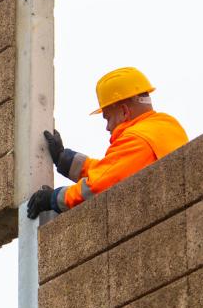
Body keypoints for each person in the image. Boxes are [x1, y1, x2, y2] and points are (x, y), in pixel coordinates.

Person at [27, 67, 188, 219]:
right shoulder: (166, 126)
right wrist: (64, 159)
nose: (107, 127)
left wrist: (53, 198)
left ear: (124, 111)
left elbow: (97, 187)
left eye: (108, 118)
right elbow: (109, 171)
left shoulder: (136, 139)